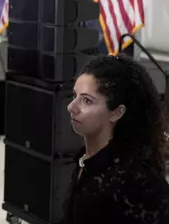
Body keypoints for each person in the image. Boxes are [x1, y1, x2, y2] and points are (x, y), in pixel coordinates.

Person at [64, 55, 169, 224]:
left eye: (86, 101)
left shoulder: (133, 180)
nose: (71, 107)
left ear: (117, 112)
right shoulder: (86, 159)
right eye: (74, 95)